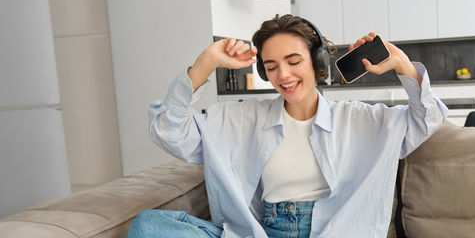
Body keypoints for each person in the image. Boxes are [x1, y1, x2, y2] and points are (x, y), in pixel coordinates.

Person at [127, 14, 447, 238]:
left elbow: (428, 119)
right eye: (272, 67)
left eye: (294, 61)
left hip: (335, 231)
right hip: (264, 231)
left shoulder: (361, 119)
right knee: (149, 227)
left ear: (317, 62)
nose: (284, 75)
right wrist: (204, 64)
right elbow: (169, 132)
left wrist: (402, 65)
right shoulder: (240, 118)